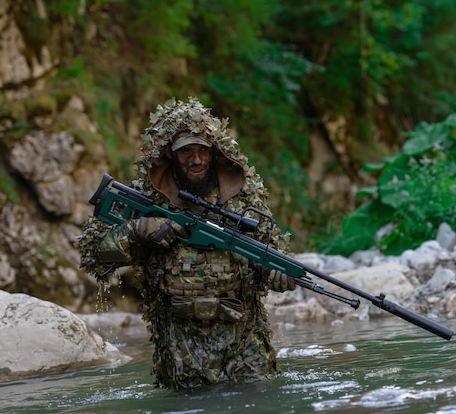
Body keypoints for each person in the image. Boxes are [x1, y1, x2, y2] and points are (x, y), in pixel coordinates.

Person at [78, 97, 296, 389]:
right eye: (186, 152)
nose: (196, 160)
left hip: (246, 347)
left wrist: (277, 276)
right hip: (180, 354)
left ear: (215, 152)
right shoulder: (146, 199)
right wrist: (137, 229)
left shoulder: (244, 199)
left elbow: (271, 254)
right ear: (169, 153)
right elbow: (93, 255)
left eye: (203, 151)